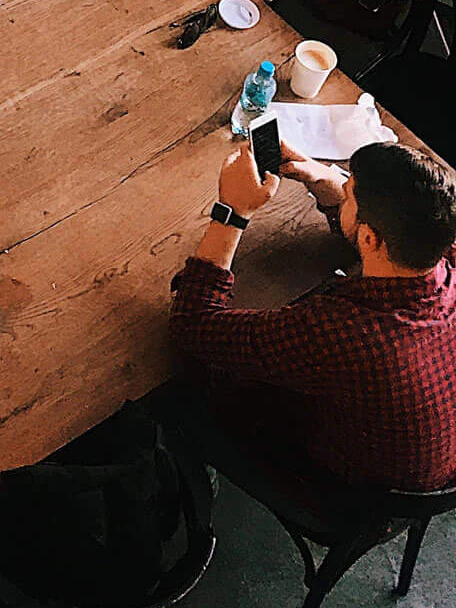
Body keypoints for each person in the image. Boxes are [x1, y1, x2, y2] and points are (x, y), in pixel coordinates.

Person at [166, 137, 456, 493]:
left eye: (349, 192)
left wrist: (232, 212)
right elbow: (386, 244)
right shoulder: (441, 247)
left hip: (347, 487)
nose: (343, 187)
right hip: (434, 463)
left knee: (188, 382)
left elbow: (192, 324)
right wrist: (322, 182)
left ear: (369, 239)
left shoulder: (346, 331)